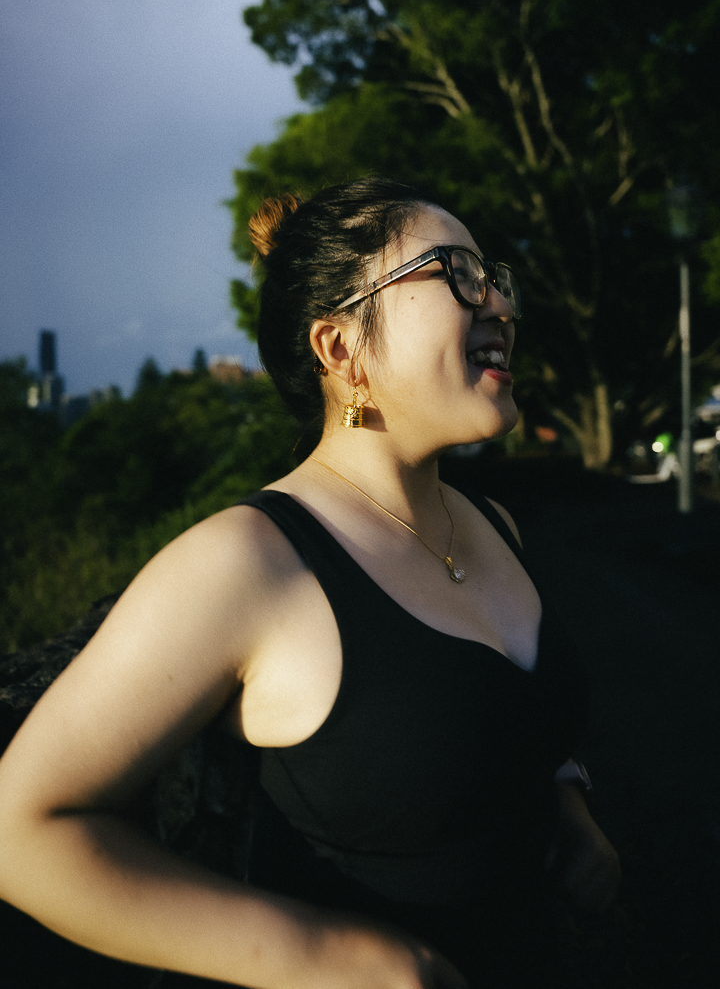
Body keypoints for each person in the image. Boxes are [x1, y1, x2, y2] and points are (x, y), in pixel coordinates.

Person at [0, 177, 619, 988]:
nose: (500, 303)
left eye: (495, 276)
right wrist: (323, 955)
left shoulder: (493, 523)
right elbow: (21, 827)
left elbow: (502, 723)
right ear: (339, 348)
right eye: (457, 273)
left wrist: (566, 799)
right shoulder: (246, 562)